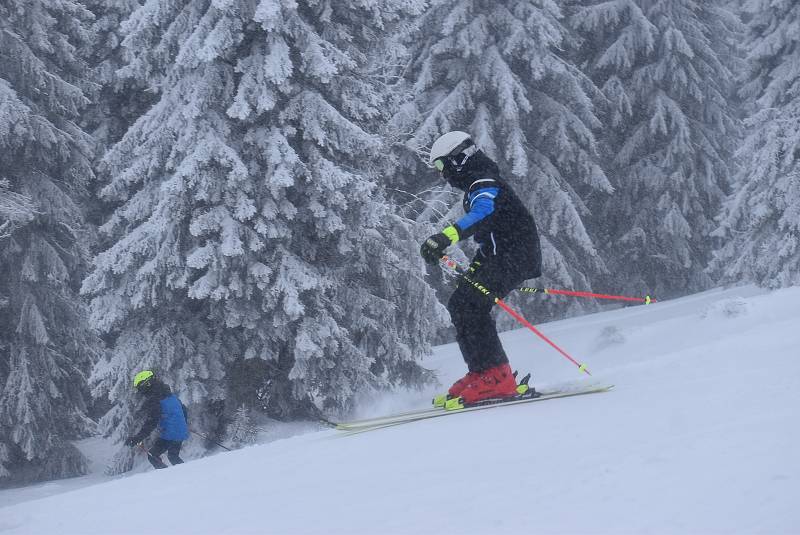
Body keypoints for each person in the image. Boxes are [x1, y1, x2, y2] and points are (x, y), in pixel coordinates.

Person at [420, 131, 542, 405]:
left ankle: (498, 378)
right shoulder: (479, 182)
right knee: (461, 304)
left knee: (471, 305)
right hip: (501, 254)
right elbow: (491, 233)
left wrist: (445, 237)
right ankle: (484, 372)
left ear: (458, 159)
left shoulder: (484, 181)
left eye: (442, 166)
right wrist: (477, 265)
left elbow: (483, 213)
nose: (442, 175)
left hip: (515, 255)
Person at [125, 370, 189, 469]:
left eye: (140, 388)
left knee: (153, 455)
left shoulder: (155, 398)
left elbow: (152, 422)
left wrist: (137, 438)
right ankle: (188, 473)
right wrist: (181, 423)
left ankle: (166, 478)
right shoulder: (168, 393)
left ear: (147, 384)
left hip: (170, 434)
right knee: (173, 456)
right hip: (180, 431)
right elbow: (183, 409)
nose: (140, 391)